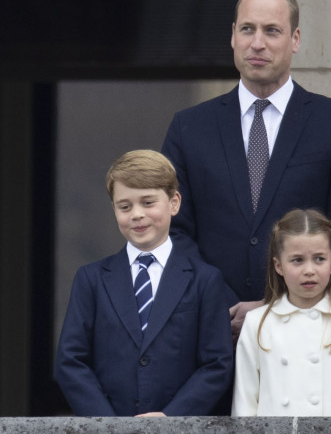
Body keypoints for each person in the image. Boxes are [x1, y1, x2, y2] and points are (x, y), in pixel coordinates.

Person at [161, 0, 331, 343]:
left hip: (303, 333)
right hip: (209, 336)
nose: (257, 43)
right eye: (248, 29)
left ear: (295, 39)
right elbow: (173, 230)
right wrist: (219, 303)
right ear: (232, 36)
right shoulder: (189, 127)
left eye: (272, 31)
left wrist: (276, 305)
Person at [54, 150, 233, 416]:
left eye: (148, 202)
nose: (137, 214)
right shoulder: (91, 279)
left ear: (174, 203)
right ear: (114, 209)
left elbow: (216, 364)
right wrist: (108, 425)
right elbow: (70, 361)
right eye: (125, 206)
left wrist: (171, 418)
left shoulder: (205, 280)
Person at [232, 209, 331, 416]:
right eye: (297, 260)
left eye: (319, 259)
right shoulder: (257, 323)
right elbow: (244, 406)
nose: (309, 270)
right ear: (278, 265)